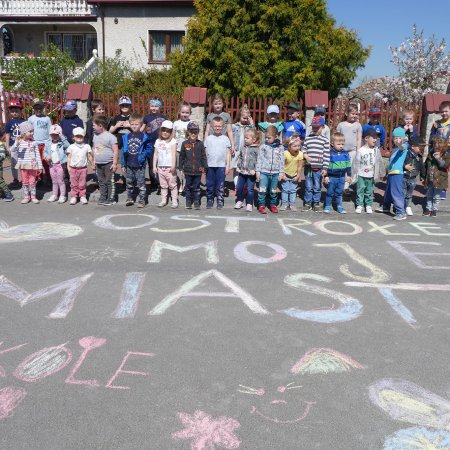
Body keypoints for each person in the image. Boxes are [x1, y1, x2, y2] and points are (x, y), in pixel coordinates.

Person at [376, 127, 408, 220]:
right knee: (388, 192)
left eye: (399, 138)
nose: (397, 140)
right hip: (391, 173)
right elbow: (391, 162)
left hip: (397, 173)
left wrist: (401, 143)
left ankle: (401, 212)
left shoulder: (404, 146)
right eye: (395, 138)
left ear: (403, 138)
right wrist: (386, 173)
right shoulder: (394, 149)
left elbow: (402, 148)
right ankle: (386, 207)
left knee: (396, 193)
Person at [121, 112, 153, 208]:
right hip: (129, 164)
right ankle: (129, 198)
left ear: (141, 125)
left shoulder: (144, 137)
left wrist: (143, 155)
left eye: (136, 124)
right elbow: (123, 151)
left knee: (141, 184)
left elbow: (149, 148)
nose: (134, 126)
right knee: (129, 182)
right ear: (130, 124)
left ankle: (142, 200)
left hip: (140, 165)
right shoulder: (126, 137)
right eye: (132, 124)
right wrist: (123, 164)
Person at [302, 116, 330, 212]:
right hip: (309, 167)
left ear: (322, 127)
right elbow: (303, 150)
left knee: (317, 186)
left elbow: (326, 155)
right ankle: (307, 203)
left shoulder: (325, 140)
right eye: (313, 127)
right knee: (308, 186)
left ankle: (316, 203)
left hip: (319, 167)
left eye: (316, 127)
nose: (314, 129)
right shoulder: (308, 138)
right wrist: (305, 156)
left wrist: (325, 168)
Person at [11, 121, 42, 204]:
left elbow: (38, 155)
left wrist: (40, 166)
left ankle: (33, 196)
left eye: (32, 131)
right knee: (25, 182)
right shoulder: (19, 142)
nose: (32, 133)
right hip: (23, 165)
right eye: (30, 131)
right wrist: (16, 143)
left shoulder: (34, 143)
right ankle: (26, 196)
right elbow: (12, 150)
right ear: (24, 133)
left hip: (32, 165)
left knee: (32, 181)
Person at [179, 121, 207, 210]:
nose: (193, 134)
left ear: (198, 132)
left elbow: (203, 156)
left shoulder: (200, 144)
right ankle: (188, 201)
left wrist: (204, 166)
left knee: (197, 188)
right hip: (188, 170)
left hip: (198, 171)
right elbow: (181, 157)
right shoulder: (184, 143)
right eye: (191, 131)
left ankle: (196, 201)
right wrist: (180, 167)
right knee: (188, 187)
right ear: (188, 132)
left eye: (195, 132)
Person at [256, 125, 284, 214]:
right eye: (266, 137)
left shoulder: (280, 147)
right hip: (264, 172)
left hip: (275, 173)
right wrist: (258, 171)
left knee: (273, 190)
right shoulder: (263, 146)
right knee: (262, 189)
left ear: (276, 137)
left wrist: (281, 173)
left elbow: (282, 161)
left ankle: (273, 205)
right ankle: (261, 205)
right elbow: (259, 159)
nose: (267, 139)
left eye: (269, 138)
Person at [354, 128, 383, 214]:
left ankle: (368, 205)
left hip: (371, 175)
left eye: (376, 138)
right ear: (366, 138)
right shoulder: (361, 150)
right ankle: (359, 204)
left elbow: (379, 161)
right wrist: (354, 174)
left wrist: (381, 173)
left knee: (369, 190)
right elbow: (356, 163)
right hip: (361, 174)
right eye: (373, 137)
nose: (375, 139)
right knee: (360, 189)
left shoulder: (376, 150)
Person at [205, 116, 231, 209]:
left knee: (220, 184)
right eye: (215, 126)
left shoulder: (225, 138)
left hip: (221, 166)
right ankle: (210, 199)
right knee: (210, 184)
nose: (217, 128)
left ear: (223, 127)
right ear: (211, 127)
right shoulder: (208, 138)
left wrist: (228, 165)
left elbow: (228, 153)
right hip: (210, 165)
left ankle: (220, 200)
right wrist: (205, 165)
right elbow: (206, 152)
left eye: (219, 126)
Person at [92, 115, 118, 206]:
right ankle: (103, 197)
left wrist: (114, 163)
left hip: (108, 163)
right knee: (101, 181)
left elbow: (115, 151)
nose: (93, 127)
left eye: (94, 125)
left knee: (109, 181)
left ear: (100, 126)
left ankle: (111, 198)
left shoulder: (110, 137)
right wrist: (94, 161)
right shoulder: (95, 136)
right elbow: (94, 148)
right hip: (99, 163)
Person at [336, 103, 362, 195]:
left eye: (356, 114)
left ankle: (346, 187)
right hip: (341, 151)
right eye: (352, 113)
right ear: (347, 113)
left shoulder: (358, 125)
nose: (354, 116)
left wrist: (358, 151)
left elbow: (359, 139)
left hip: (352, 151)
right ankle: (339, 185)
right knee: (340, 168)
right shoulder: (341, 125)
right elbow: (337, 137)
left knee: (349, 169)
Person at [323, 132, 351, 214]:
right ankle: (327, 205)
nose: (341, 146)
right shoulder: (330, 153)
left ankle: (339, 206)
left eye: (342, 144)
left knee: (339, 193)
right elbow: (326, 165)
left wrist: (349, 175)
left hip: (341, 177)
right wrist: (326, 176)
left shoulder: (345, 153)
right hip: (332, 177)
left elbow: (348, 165)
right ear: (332, 143)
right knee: (330, 192)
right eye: (339, 144)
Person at [423, 137, 450, 217]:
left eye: (438, 148)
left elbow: (445, 165)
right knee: (429, 194)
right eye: (435, 147)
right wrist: (424, 177)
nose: (436, 149)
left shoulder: (446, 155)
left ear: (443, 147)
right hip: (430, 177)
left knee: (436, 196)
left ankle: (434, 209)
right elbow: (426, 165)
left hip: (440, 179)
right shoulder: (430, 153)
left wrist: (439, 159)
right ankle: (428, 208)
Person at [142, 98, 166, 189]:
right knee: (152, 164)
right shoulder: (146, 117)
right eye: (152, 106)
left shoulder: (164, 118)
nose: (154, 108)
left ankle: (161, 182)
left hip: (161, 143)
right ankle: (153, 183)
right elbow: (142, 129)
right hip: (150, 144)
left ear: (160, 107)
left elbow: (167, 130)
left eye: (156, 106)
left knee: (161, 163)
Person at [153, 120, 178, 208]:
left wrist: (173, 166)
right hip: (160, 167)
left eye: (168, 131)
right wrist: (154, 166)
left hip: (169, 167)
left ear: (171, 132)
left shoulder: (173, 141)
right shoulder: (157, 141)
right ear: (160, 130)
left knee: (172, 185)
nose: (165, 132)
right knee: (163, 185)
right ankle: (163, 200)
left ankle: (174, 201)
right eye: (163, 130)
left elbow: (174, 154)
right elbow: (155, 154)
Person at [428, 101, 450, 200]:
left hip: (447, 151)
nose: (444, 113)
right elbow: (431, 136)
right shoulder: (436, 124)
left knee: (444, 169)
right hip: (436, 149)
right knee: (435, 169)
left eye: (446, 111)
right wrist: (430, 148)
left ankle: (443, 189)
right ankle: (433, 187)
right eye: (442, 111)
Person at [67, 127, 93, 205]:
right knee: (73, 183)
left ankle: (82, 196)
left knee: (82, 183)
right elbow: (69, 157)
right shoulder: (71, 146)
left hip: (83, 168)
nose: (79, 138)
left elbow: (89, 156)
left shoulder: (87, 146)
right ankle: (74, 196)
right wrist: (68, 167)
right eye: (77, 136)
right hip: (73, 168)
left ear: (84, 137)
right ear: (73, 137)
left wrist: (92, 163)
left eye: (81, 136)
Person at [235, 128, 259, 212]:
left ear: (254, 140)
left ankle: (249, 203)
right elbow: (240, 158)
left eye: (247, 138)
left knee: (250, 189)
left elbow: (258, 161)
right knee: (239, 187)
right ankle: (240, 200)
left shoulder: (256, 149)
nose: (245, 139)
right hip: (242, 171)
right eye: (245, 137)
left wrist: (255, 170)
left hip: (251, 173)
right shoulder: (243, 148)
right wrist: (238, 166)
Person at [28, 98, 52, 183]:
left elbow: (50, 131)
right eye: (36, 108)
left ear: (43, 108)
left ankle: (49, 178)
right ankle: (40, 179)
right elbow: (29, 131)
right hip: (35, 144)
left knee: (47, 162)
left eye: (40, 108)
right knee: (38, 163)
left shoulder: (47, 118)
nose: (38, 110)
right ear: (33, 109)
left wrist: (50, 142)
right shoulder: (31, 119)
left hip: (46, 144)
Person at [44, 124, 69, 203]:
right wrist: (46, 156)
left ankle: (62, 195)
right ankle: (55, 194)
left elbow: (67, 145)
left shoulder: (62, 143)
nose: (54, 136)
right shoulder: (48, 143)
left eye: (56, 134)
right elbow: (45, 152)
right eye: (52, 134)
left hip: (60, 165)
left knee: (60, 180)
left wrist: (61, 136)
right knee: (54, 181)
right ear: (50, 135)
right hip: (51, 165)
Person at [232, 104, 255, 190]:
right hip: (237, 150)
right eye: (243, 118)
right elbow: (230, 137)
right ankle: (237, 185)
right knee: (236, 169)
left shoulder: (249, 127)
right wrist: (232, 147)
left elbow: (254, 134)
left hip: (246, 151)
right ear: (239, 116)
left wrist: (252, 123)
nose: (245, 120)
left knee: (244, 168)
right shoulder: (234, 126)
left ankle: (243, 185)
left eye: (247, 118)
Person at [403, 136, 426, 216]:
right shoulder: (406, 154)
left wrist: (423, 177)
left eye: (423, 147)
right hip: (404, 176)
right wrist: (405, 166)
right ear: (413, 147)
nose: (422, 149)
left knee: (409, 194)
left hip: (413, 178)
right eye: (420, 147)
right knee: (403, 193)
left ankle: (407, 206)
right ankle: (400, 207)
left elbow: (422, 167)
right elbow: (401, 163)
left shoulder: (419, 157)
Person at [280, 134, 303, 211]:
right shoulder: (285, 153)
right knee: (285, 190)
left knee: (293, 190)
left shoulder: (300, 154)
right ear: (289, 147)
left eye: (298, 146)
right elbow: (281, 165)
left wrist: (298, 176)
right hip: (286, 174)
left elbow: (300, 166)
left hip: (294, 175)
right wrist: (282, 174)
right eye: (295, 146)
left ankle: (292, 204)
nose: (297, 148)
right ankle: (284, 203)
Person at [4, 99, 25, 187]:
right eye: (12, 111)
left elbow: (26, 133)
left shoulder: (23, 121)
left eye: (16, 111)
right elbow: (8, 135)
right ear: (10, 113)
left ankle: (24, 179)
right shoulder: (9, 123)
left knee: (22, 163)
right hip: (13, 146)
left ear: (20, 111)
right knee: (14, 163)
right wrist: (7, 146)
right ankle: (15, 179)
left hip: (23, 146)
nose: (14, 113)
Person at [173, 101, 192, 195]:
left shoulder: (191, 123)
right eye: (183, 112)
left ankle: (185, 184)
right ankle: (179, 183)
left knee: (185, 168)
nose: (185, 114)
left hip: (187, 149)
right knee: (177, 167)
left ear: (190, 113)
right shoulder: (176, 123)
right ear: (179, 112)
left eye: (187, 112)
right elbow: (173, 137)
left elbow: (194, 136)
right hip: (177, 149)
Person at [0, 128, 14, 201]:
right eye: (5, 135)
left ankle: (8, 194)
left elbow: (2, 156)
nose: (6, 137)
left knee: (0, 180)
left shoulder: (1, 145)